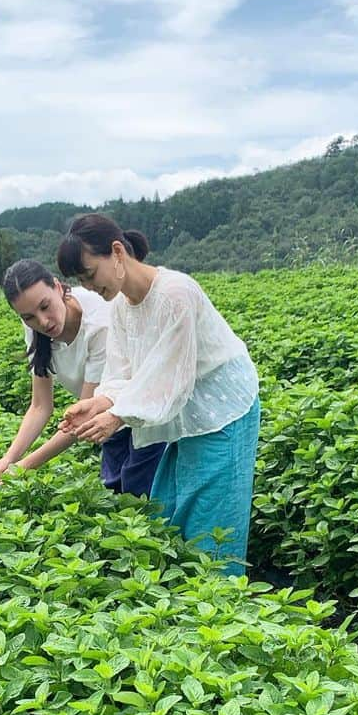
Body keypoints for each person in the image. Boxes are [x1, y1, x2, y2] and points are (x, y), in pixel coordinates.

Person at [56, 215, 260, 575]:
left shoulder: (176, 293)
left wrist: (116, 416)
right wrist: (99, 402)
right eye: (81, 281)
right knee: (170, 510)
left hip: (223, 408)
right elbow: (123, 372)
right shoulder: (120, 306)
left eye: (90, 274)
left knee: (213, 522)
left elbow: (171, 377)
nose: (89, 286)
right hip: (182, 414)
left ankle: (225, 609)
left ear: (117, 252)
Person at [0, 258, 164, 495]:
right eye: (29, 317)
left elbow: (84, 418)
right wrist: (8, 460)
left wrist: (23, 467)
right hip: (107, 427)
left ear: (58, 287)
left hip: (143, 417)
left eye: (45, 307)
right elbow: (39, 406)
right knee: (118, 496)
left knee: (144, 500)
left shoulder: (99, 324)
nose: (42, 321)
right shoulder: (34, 324)